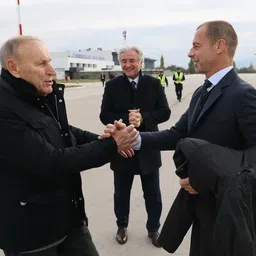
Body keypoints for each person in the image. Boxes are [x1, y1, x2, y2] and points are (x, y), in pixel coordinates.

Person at [103, 21, 256, 256]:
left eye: (196, 46)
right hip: (200, 209)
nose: (190, 53)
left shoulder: (243, 96)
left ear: (219, 46)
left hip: (228, 214)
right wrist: (133, 138)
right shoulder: (202, 92)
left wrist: (209, 177)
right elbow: (177, 134)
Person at [0, 36, 138, 256]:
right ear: (13, 68)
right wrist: (112, 146)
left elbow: (65, 131)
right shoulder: (5, 108)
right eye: (41, 64)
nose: (52, 71)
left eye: (49, 61)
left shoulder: (39, 94)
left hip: (69, 218)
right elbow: (51, 162)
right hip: (32, 235)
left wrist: (104, 139)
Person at [99, 46, 171, 247]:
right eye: (124, 61)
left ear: (140, 61)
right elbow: (104, 114)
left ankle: (154, 229)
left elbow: (165, 112)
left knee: (153, 194)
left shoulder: (154, 84)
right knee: (121, 193)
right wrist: (124, 119)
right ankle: (121, 226)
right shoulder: (112, 86)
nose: (127, 65)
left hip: (148, 145)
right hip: (122, 148)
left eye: (131, 60)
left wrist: (143, 118)